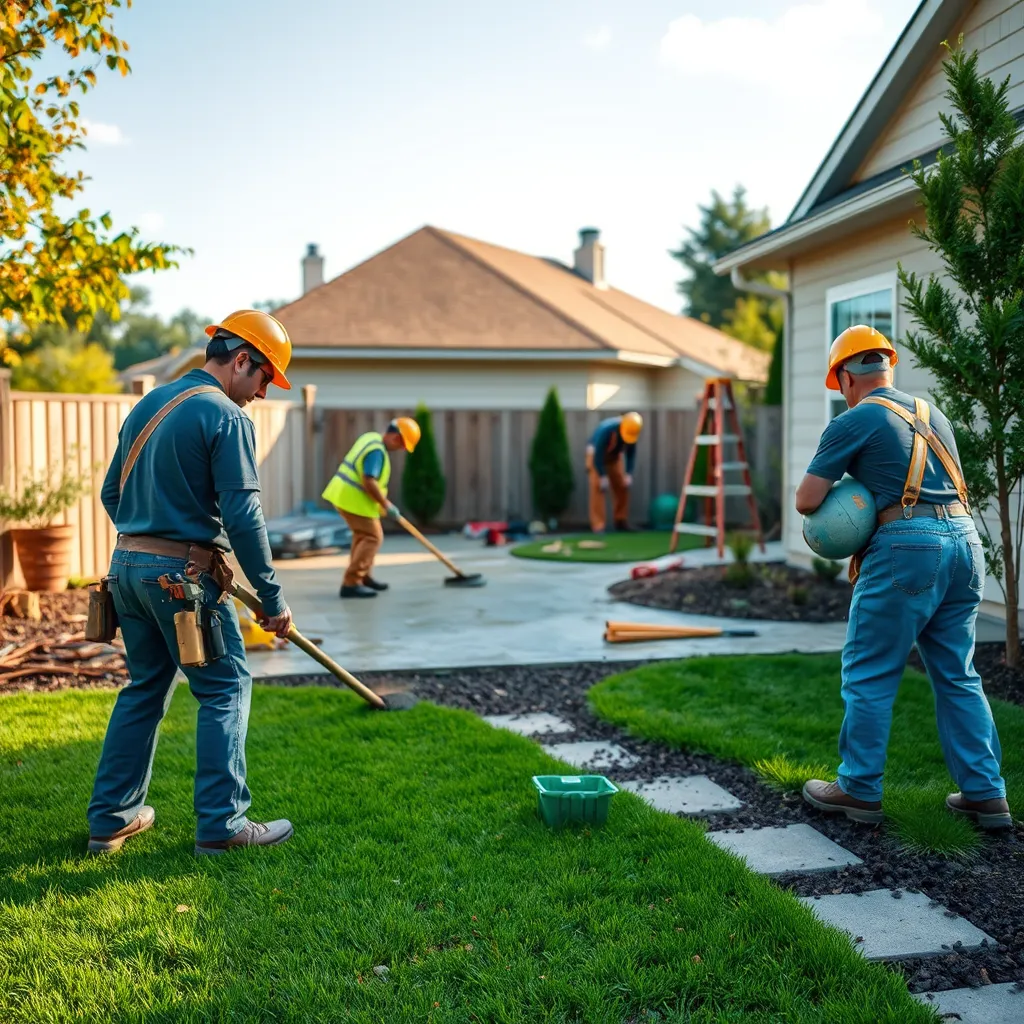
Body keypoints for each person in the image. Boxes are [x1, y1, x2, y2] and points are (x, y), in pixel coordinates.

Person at [86, 310, 297, 857]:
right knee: (226, 688)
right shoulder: (225, 416)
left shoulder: (148, 406)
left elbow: (113, 493)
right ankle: (224, 825)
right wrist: (272, 599)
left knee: (145, 688)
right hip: (182, 580)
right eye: (264, 379)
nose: (262, 395)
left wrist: (150, 538)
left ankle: (111, 820)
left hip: (127, 570)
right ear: (242, 359)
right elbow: (245, 518)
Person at [795, 323, 1010, 830]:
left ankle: (859, 789)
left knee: (869, 669)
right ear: (887, 367)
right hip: (965, 545)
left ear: (846, 377)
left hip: (908, 549)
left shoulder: (853, 421)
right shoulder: (933, 414)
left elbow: (806, 501)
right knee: (958, 673)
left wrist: (855, 496)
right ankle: (985, 793)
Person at [321, 418, 421, 598]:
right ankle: (351, 583)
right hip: (352, 499)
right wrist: (386, 504)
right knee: (373, 537)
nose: (401, 449)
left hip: (346, 496)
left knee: (362, 537)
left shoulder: (371, 438)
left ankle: (363, 577)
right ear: (396, 437)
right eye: (402, 444)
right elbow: (369, 480)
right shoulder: (376, 451)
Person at [586, 411, 643, 533]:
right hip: (595, 455)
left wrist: (628, 473)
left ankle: (620, 520)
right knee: (598, 487)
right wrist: (602, 476)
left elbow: (631, 454)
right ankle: (598, 526)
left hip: (614, 457)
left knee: (622, 486)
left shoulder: (632, 432)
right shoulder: (607, 429)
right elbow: (598, 455)